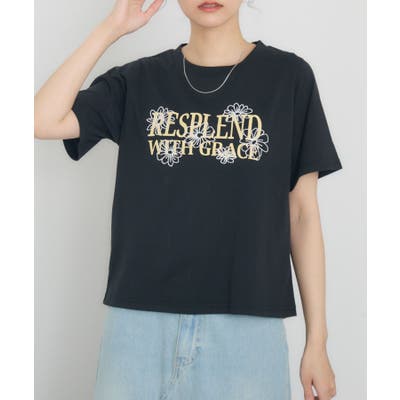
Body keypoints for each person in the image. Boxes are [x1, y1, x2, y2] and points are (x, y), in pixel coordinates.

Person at [35, 0, 342, 399]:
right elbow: (42, 119)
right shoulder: (138, 81)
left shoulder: (289, 78)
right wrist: (112, 27)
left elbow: (302, 215)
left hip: (247, 334)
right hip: (138, 330)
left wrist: (317, 340)